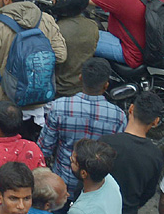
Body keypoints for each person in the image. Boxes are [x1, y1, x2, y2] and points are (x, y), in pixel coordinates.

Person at [38, 58, 125, 190]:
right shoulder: (119, 116)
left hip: (63, 181)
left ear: (80, 78)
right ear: (106, 85)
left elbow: (45, 148)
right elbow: (115, 156)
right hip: (95, 186)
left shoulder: (59, 107)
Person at [101, 91, 164, 214]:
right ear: (156, 121)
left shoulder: (106, 143)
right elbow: (148, 192)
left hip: (98, 213)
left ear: (131, 109)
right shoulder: (156, 156)